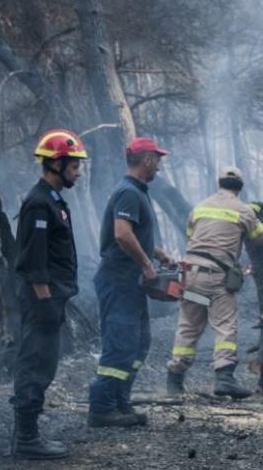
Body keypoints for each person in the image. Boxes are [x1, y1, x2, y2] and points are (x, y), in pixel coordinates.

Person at [10, 129, 88, 459]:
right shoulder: (38, 204)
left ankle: (27, 436)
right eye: (74, 166)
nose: (78, 171)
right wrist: (44, 301)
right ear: (56, 163)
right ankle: (26, 440)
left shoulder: (54, 201)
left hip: (53, 298)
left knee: (45, 365)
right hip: (43, 299)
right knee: (36, 364)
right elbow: (35, 260)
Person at [87, 137, 174, 427]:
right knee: (121, 344)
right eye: (157, 160)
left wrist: (160, 254)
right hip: (118, 281)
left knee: (139, 344)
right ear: (147, 159)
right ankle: (101, 408)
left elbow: (136, 234)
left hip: (130, 283)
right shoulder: (128, 193)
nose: (159, 165)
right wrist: (147, 265)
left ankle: (120, 401)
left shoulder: (138, 192)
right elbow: (123, 234)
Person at [165, 166, 263, 398]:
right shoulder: (243, 210)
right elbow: (262, 238)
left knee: (189, 325)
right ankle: (224, 379)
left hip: (190, 274)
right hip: (217, 278)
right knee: (225, 325)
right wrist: (254, 214)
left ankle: (174, 380)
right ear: (240, 187)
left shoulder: (200, 207)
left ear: (219, 183)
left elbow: (191, 233)